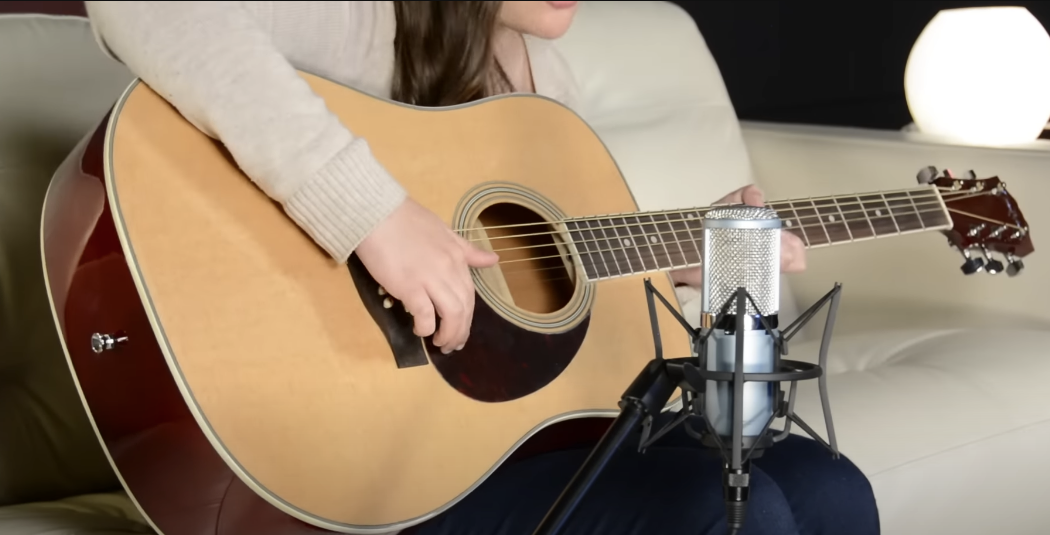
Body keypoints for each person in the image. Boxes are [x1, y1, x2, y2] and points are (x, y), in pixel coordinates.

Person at [84, 2, 880, 534]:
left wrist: (699, 267)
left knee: (829, 484)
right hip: (351, 472)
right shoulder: (361, 19)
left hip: (501, 444)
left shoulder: (537, 78)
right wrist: (373, 217)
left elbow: (545, 303)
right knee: (730, 510)